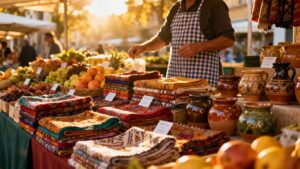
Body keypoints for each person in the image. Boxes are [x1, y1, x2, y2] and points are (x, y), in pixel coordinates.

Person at [128, 0, 235, 87]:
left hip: (203, 81)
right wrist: (144, 47)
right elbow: (163, 38)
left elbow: (228, 39)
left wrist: (199, 46)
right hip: (176, 80)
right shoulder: (176, 8)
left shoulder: (214, 4)